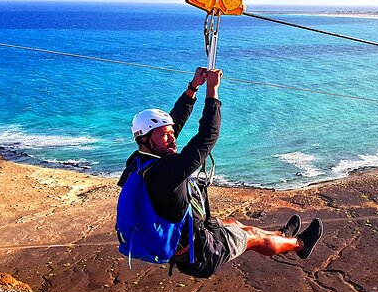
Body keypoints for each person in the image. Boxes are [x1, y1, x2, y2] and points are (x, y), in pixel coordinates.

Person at [117, 67, 323, 278]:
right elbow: (209, 135)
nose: (172, 139)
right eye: (164, 136)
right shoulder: (166, 172)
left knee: (236, 225)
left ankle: (282, 235)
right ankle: (300, 244)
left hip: (194, 234)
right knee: (253, 237)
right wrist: (212, 91)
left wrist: (192, 88)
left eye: (171, 134)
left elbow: (170, 127)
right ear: (144, 139)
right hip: (202, 253)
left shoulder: (139, 162)